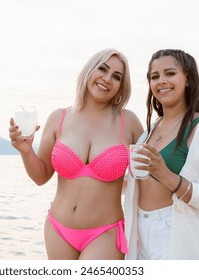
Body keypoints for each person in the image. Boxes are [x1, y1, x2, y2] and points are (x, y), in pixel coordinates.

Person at [9, 49, 143, 260]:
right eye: (103, 69)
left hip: (105, 233)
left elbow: (148, 174)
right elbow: (41, 177)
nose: (107, 79)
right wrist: (26, 151)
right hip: (58, 229)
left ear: (121, 87)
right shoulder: (58, 118)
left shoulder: (129, 123)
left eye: (117, 77)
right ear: (89, 71)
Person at [124, 49, 199, 259]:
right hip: (140, 233)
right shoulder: (148, 132)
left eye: (170, 73)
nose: (161, 81)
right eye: (154, 77)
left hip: (176, 232)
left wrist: (166, 175)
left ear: (188, 79)